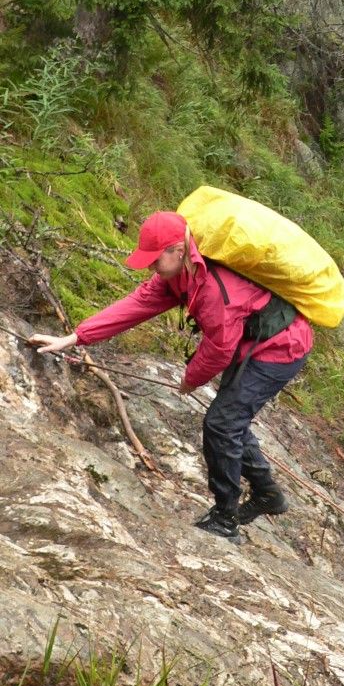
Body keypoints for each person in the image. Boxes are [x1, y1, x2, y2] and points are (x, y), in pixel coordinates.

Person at [29, 211, 312, 544]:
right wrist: (75, 337)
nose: (150, 267)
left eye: (155, 259)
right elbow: (137, 304)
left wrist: (191, 379)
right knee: (229, 419)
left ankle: (225, 520)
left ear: (179, 250)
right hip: (252, 344)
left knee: (222, 423)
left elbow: (220, 348)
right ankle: (267, 495)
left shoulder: (214, 290)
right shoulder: (178, 275)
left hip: (281, 348)